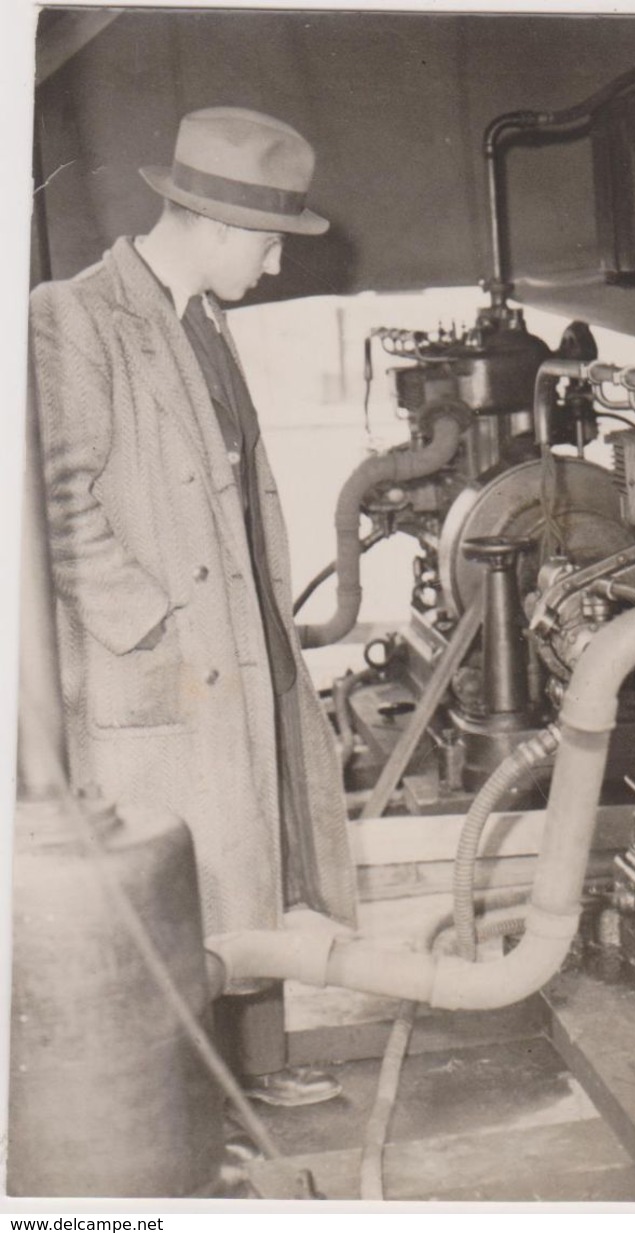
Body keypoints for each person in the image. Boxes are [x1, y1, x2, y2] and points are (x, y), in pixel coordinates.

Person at [30, 107, 358, 1108]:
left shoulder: (204, 318)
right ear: (214, 224)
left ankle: (250, 1067)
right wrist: (155, 632)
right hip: (158, 663)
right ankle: (175, 1107)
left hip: (234, 645)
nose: (269, 266)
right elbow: (53, 501)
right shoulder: (74, 316)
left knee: (251, 854)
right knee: (181, 876)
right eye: (265, 243)